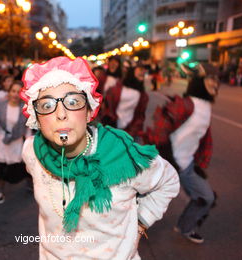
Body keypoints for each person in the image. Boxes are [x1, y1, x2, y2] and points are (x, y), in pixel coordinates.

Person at [20, 56, 180, 259]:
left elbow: (168, 180)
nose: (61, 114)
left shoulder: (123, 158)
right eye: (47, 105)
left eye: (73, 102)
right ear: (37, 119)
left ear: (89, 112)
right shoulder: (32, 153)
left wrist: (141, 224)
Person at [145, 63, 219, 244]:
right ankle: (122, 232)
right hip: (165, 164)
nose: (215, 84)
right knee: (142, 201)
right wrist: (168, 158)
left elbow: (202, 139)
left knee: (206, 197)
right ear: (200, 82)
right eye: (210, 79)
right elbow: (160, 129)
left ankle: (185, 227)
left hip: (185, 166)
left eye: (216, 80)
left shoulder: (206, 107)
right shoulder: (187, 104)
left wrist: (199, 164)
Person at [0, 80, 30, 204]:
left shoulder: (25, 109)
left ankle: (30, 183)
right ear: (9, 92)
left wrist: (27, 142)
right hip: (1, 142)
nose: (15, 94)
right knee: (2, 169)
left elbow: (27, 128)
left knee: (22, 168)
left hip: (17, 143)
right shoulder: (1, 106)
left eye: (18, 92)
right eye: (13, 91)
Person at [101, 64, 148, 140]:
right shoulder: (117, 88)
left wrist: (133, 131)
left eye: (142, 75)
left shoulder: (143, 96)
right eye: (139, 73)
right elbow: (108, 105)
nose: (141, 76)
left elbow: (140, 115)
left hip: (129, 131)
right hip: (112, 126)